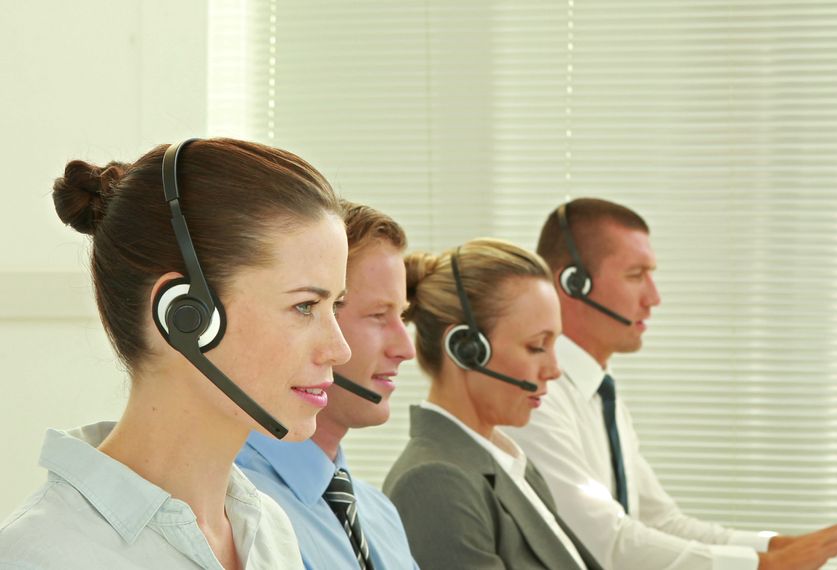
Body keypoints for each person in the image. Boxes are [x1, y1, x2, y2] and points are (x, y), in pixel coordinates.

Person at [0, 138, 353, 569]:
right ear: (184, 313)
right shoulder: (43, 556)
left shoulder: (269, 531)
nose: (340, 349)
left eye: (335, 306)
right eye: (304, 306)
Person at [506, 198, 837, 570]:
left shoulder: (600, 395)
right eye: (636, 275)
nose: (654, 298)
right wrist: (765, 565)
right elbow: (605, 543)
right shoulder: (537, 398)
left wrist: (784, 546)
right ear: (573, 284)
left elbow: (661, 522)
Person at [383, 239, 602, 569]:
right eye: (536, 346)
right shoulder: (436, 484)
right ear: (465, 348)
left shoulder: (511, 465)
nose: (555, 370)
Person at [236, 201, 419, 569]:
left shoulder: (380, 513)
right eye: (379, 316)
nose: (406, 349)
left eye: (402, 316)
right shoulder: (236, 509)